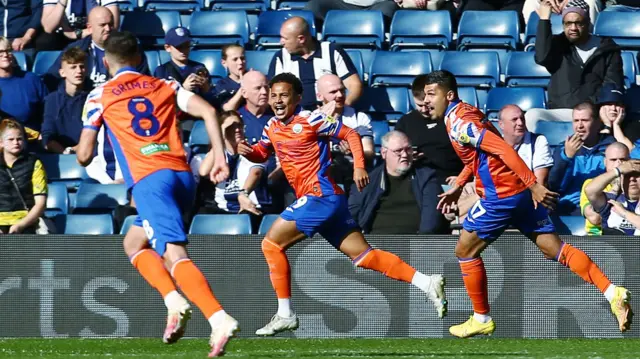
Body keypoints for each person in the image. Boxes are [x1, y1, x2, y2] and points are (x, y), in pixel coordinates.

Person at [237, 73, 447, 337]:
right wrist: (247, 150)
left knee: (271, 244)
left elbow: (351, 134)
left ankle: (285, 314)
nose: (278, 100)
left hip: (319, 196)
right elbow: (262, 152)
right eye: (274, 95)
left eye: (284, 95)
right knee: (364, 256)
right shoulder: (272, 126)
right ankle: (426, 282)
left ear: (298, 98)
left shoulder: (312, 119)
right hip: (326, 202)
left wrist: (359, 167)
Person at [427, 70, 631, 338]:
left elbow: (502, 149)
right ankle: (612, 291)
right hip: (518, 192)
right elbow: (478, 157)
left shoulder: (459, 123)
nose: (426, 101)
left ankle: (481, 317)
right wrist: (459, 185)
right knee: (554, 250)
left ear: (449, 95)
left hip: (501, 194)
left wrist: (533, 183)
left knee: (465, 251)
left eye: (432, 94)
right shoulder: (465, 112)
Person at [75, 31, 237, 357]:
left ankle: (218, 318)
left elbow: (83, 155)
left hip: (150, 180)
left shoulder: (99, 95)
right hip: (182, 177)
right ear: (139, 59)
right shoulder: (165, 84)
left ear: (105, 62)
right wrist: (220, 156)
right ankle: (173, 301)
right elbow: (208, 112)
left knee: (174, 254)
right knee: (134, 242)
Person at [525, 0, 623, 131]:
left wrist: (601, 105)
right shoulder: (558, 44)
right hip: (563, 111)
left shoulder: (607, 48)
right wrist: (544, 20)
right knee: (532, 115)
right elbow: (541, 57)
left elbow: (612, 82)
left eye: (578, 23)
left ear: (588, 23)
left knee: (611, 112)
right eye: (568, 24)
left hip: (593, 112)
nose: (573, 28)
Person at [348, 130, 449, 234]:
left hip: (416, 243)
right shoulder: (368, 181)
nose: (405, 155)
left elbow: (432, 219)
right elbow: (352, 215)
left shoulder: (427, 178)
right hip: (376, 243)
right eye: (398, 151)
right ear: (384, 153)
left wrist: (421, 245)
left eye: (408, 149)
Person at [195, 110, 274, 226]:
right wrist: (219, 139)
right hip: (224, 210)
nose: (237, 129)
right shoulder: (219, 155)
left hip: (252, 208)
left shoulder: (253, 151)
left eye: (239, 125)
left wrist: (243, 193)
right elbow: (203, 171)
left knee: (245, 218)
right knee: (202, 215)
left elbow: (256, 173)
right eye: (231, 127)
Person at [268, 17, 362, 111]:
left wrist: (342, 107)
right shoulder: (281, 57)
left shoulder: (331, 51)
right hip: (295, 116)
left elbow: (354, 85)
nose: (281, 42)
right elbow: (271, 94)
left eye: (285, 38)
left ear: (301, 39)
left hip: (331, 114)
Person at [46, 7, 148, 90]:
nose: (108, 29)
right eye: (102, 25)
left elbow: (143, 80)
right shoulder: (76, 49)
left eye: (111, 24)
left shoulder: (129, 49)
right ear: (89, 28)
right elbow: (53, 78)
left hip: (118, 101)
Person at [548, 101, 614, 215]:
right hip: (569, 206)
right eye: (576, 121)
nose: (579, 126)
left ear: (598, 123)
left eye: (585, 120)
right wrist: (566, 158)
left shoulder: (611, 147)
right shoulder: (563, 149)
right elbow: (554, 186)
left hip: (601, 204)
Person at [396, 74, 463, 184]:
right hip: (416, 183)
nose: (423, 110)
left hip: (451, 181)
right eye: (419, 105)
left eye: (427, 105)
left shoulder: (457, 120)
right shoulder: (406, 122)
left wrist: (463, 179)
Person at [316, 73, 374, 190]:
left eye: (342, 90)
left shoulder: (359, 118)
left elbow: (369, 152)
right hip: (320, 179)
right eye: (333, 92)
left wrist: (353, 151)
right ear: (320, 96)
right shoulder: (310, 119)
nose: (340, 95)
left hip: (352, 177)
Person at [0, 118, 47, 234]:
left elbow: (40, 203)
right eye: (10, 139)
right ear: (1, 142)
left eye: (19, 139)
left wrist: (20, 225)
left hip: (27, 222)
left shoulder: (34, 163)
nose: (16, 142)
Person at [41, 46, 88, 154]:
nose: (79, 71)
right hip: (59, 154)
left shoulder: (93, 98)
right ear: (62, 73)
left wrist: (74, 149)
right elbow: (48, 134)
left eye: (82, 67)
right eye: (73, 67)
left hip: (89, 154)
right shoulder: (52, 100)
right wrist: (64, 152)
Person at [0, 37, 48, 134]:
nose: (5, 55)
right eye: (0, 52)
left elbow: (48, 110)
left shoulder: (31, 79)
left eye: (8, 51)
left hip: (33, 137)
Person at [497, 104, 554, 185]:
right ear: (501, 125)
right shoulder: (495, 145)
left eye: (522, 118)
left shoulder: (537, 141)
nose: (520, 123)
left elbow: (540, 184)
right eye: (514, 119)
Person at [582, 142, 630, 235]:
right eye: (613, 160)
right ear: (605, 162)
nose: (618, 163)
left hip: (629, 239)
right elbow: (595, 219)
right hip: (598, 240)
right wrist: (615, 189)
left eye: (623, 159)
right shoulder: (591, 185)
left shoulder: (634, 184)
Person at [585, 158, 640, 235]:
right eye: (627, 176)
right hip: (612, 246)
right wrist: (618, 170)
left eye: (637, 175)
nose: (632, 179)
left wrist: (624, 212)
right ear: (621, 180)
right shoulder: (611, 200)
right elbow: (590, 190)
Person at [218, 44, 247, 111]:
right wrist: (243, 88)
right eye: (235, 59)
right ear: (224, 63)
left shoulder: (254, 78)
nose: (240, 62)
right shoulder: (222, 84)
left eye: (242, 58)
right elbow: (228, 109)